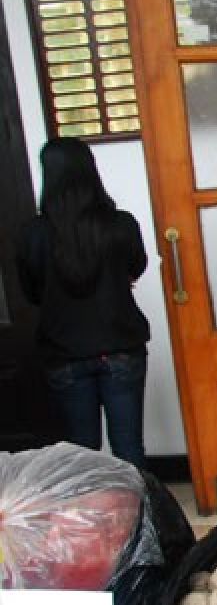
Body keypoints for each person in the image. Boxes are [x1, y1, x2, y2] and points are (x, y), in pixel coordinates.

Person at [17, 137, 151, 468]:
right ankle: (142, 518)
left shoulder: (33, 234)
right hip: (121, 347)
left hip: (64, 353)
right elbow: (135, 268)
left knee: (80, 456)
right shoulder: (120, 224)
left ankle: (88, 520)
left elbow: (31, 293)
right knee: (130, 449)